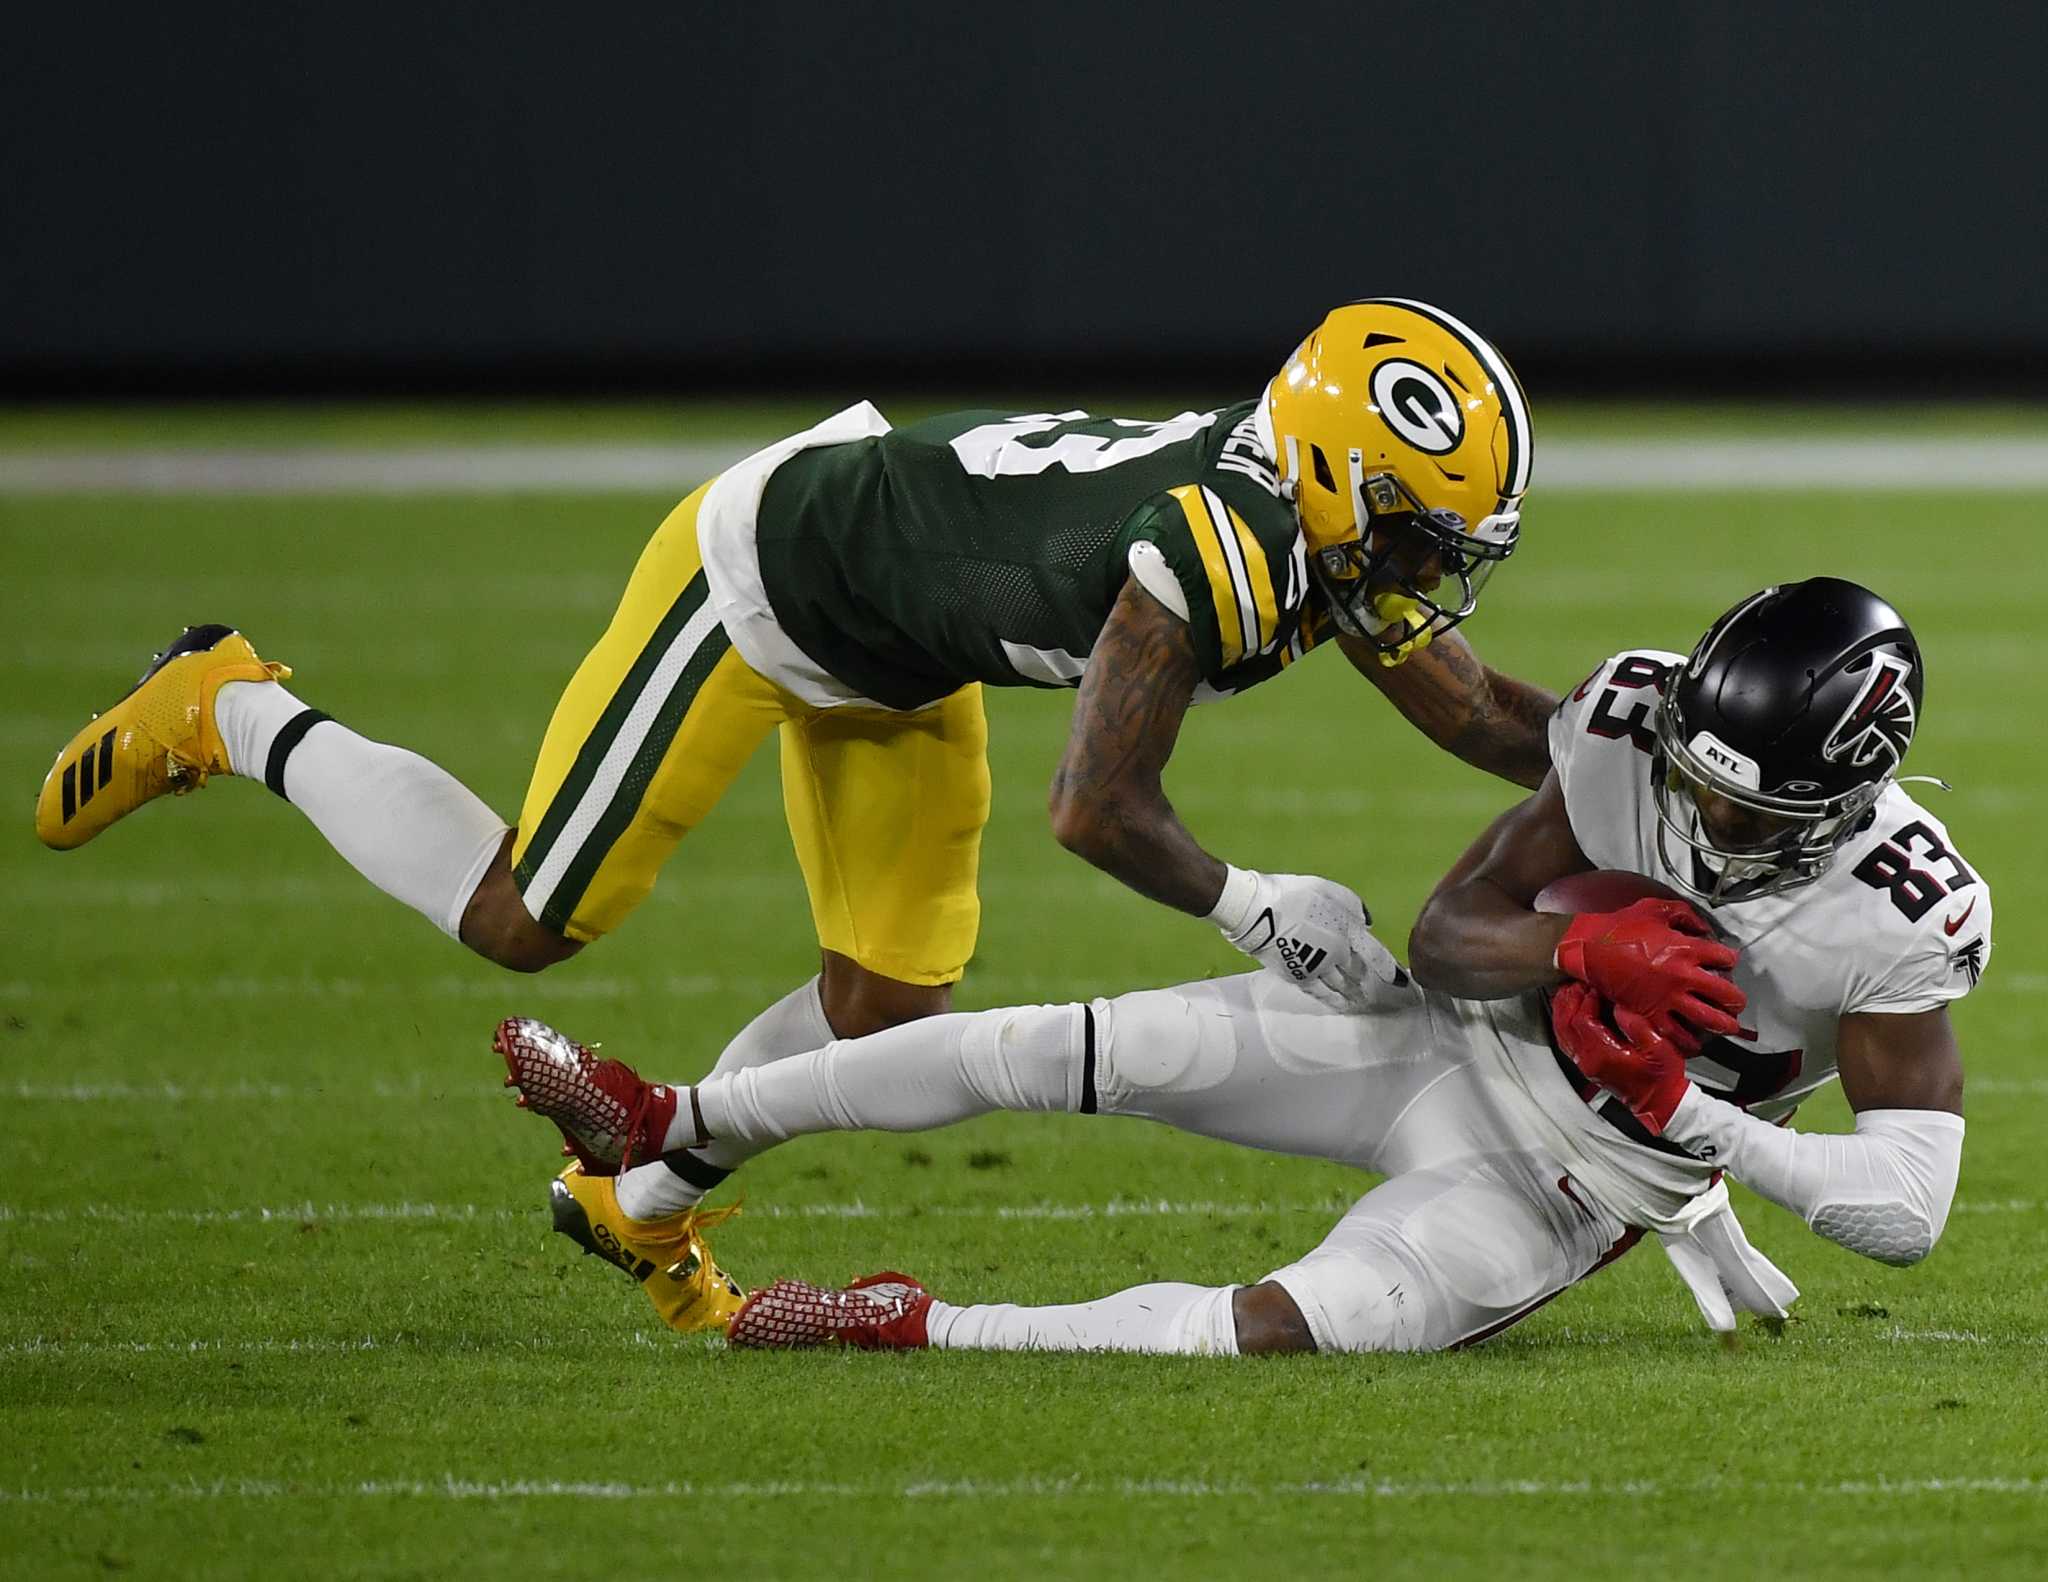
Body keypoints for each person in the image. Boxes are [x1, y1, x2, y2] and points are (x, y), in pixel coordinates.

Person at [35, 299, 1552, 1318]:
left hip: (906, 645)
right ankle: (225, 702)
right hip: (771, 576)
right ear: (1342, 481)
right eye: (1422, 535)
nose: (1431, 570)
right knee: (523, 916)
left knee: (886, 1006)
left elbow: (1483, 712)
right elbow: (1093, 806)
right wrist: (1253, 907)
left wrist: (1666, 747)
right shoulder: (1223, 545)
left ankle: (633, 1190)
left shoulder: (1314, 528)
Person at [504, 579, 1990, 1353]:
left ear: (1839, 801)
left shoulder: (1898, 912)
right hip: (1435, 1041)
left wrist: (1699, 1131)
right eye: (1690, 774)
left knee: (1271, 1329)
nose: (1694, 810)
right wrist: (1572, 945)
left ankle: (906, 1319)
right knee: (1064, 1042)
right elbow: (1442, 936)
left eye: (1738, 806)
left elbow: (1910, 1209)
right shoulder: (1634, 728)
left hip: (1563, 1188)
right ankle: (678, 1121)